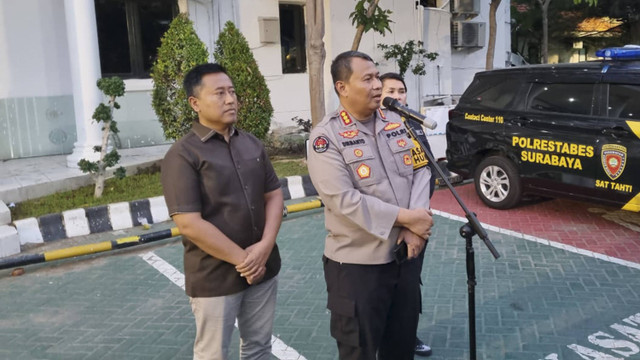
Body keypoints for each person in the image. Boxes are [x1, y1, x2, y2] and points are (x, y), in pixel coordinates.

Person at [307, 51, 434, 360]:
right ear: (342, 87)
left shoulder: (395, 121)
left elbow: (422, 168)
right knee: (359, 351)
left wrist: (415, 227)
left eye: (377, 76)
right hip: (357, 268)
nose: (378, 85)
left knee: (401, 347)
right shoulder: (326, 138)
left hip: (405, 255)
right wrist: (408, 218)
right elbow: (343, 200)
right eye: (367, 79)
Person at [161, 63, 283, 360]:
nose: (230, 99)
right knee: (213, 354)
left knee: (259, 348)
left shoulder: (251, 143)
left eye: (231, 92)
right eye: (219, 93)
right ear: (195, 103)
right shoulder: (183, 155)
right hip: (215, 277)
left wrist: (264, 248)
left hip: (262, 268)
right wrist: (245, 260)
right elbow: (189, 223)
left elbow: (274, 195)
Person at [380, 72, 435, 357]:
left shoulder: (414, 126)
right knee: (384, 288)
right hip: (386, 227)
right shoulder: (374, 128)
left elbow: (427, 172)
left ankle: (408, 335)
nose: (398, 96)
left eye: (401, 91)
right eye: (391, 90)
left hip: (417, 223)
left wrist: (417, 222)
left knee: (410, 287)